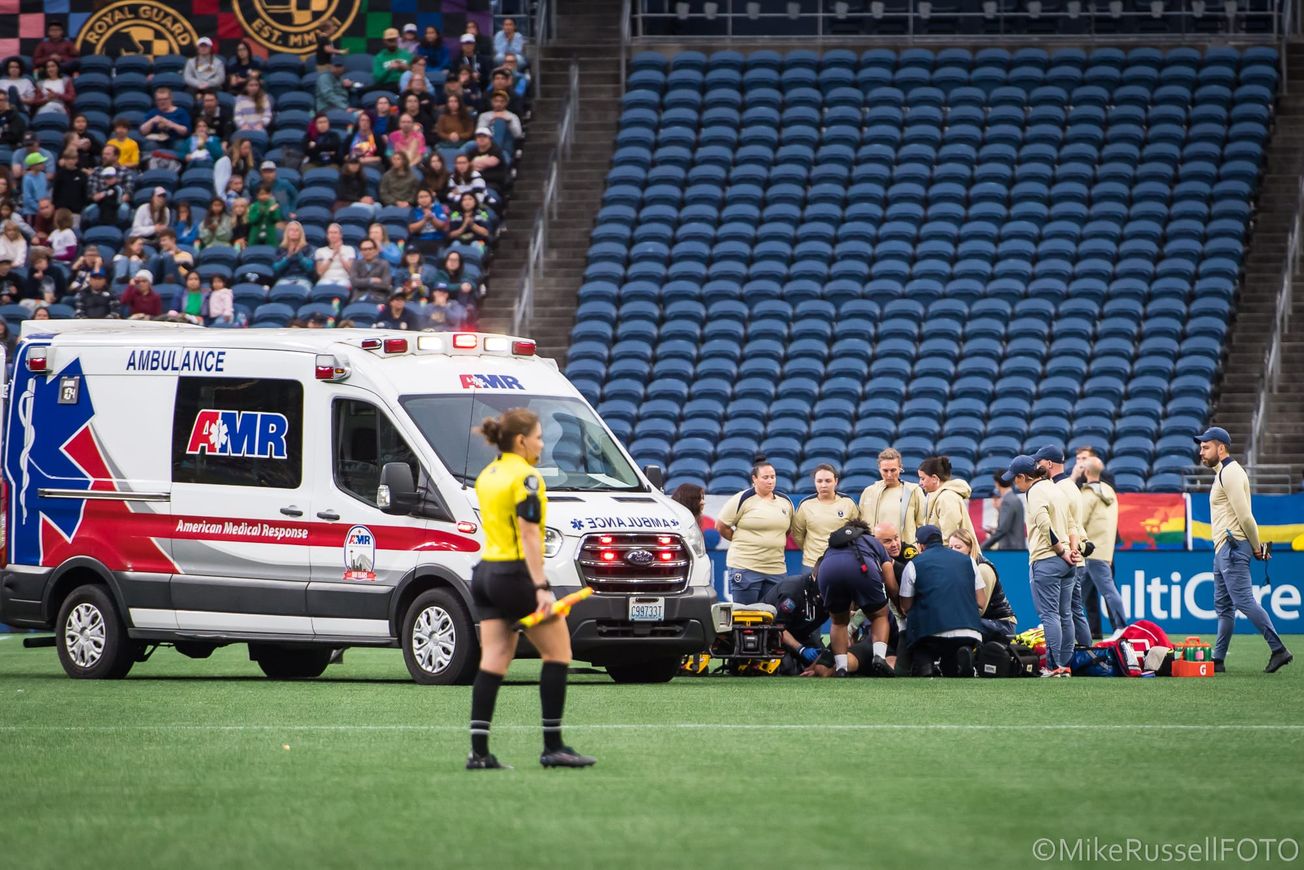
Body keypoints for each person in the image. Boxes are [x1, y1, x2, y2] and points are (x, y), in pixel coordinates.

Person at [466, 408, 595, 770]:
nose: (542, 443)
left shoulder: (488, 473)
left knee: (493, 659)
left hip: (486, 573)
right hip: (515, 575)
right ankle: (553, 746)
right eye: (539, 437)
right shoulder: (527, 477)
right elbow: (528, 535)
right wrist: (541, 586)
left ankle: (479, 753)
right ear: (521, 441)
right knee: (558, 654)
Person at [1195, 427, 1293, 673]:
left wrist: (1257, 546)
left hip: (1232, 546)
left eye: (1206, 447)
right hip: (1224, 549)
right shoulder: (1224, 473)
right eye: (1200, 447)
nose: (1201, 452)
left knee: (1243, 601)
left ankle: (1279, 650)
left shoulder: (1230, 473)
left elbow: (1246, 517)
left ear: (1221, 448)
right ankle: (1218, 660)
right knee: (1225, 607)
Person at [1001, 455, 1076, 677]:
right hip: (1067, 560)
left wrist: (1061, 552)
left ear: (1024, 477)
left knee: (1050, 615)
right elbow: (1072, 524)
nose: (1015, 484)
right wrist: (1071, 550)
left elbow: (1044, 525)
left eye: (1016, 479)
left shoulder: (1034, 492)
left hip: (1047, 559)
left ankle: (1054, 667)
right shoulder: (1056, 488)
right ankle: (1066, 664)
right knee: (1066, 614)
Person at [898, 525, 987, 677]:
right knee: (951, 662)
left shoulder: (913, 564)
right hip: (969, 631)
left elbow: (905, 606)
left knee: (922, 644)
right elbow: (981, 601)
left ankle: (925, 664)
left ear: (920, 546)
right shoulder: (969, 561)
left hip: (930, 633)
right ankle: (960, 657)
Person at [716, 458, 794, 605]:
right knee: (745, 617)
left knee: (774, 617)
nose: (770, 481)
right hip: (745, 566)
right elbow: (721, 526)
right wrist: (742, 540)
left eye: (773, 477)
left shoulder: (785, 501)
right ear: (755, 479)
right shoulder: (742, 498)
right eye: (765, 477)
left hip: (776, 568)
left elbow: (787, 530)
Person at [1034, 445, 1091, 648]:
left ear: (1049, 463)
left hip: (1067, 554)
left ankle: (1077, 655)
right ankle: (1085, 652)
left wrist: (1066, 550)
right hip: (1074, 554)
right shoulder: (1069, 485)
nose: (1036, 467)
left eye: (1039, 463)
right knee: (1073, 611)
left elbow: (1066, 524)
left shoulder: (1058, 488)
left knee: (1066, 612)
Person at [1078, 456, 1127, 637]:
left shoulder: (1088, 495)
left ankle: (1122, 627)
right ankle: (1064, 625)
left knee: (1108, 591)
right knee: (1078, 595)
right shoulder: (1109, 492)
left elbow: (1078, 522)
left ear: (1086, 472)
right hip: (1105, 551)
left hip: (1090, 552)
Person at [947, 528, 1017, 642]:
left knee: (957, 626)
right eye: (950, 547)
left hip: (1003, 625)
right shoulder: (960, 569)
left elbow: (980, 609)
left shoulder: (983, 569)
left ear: (970, 548)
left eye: (958, 547)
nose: (953, 551)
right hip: (982, 621)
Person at [792, 465, 859, 574]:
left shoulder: (848, 503)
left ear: (836, 481)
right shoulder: (805, 505)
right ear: (814, 482)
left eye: (828, 481)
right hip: (811, 564)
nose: (823, 485)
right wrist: (811, 551)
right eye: (819, 481)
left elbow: (857, 532)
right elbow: (797, 534)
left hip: (841, 562)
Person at [858, 448, 927, 546]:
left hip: (905, 550)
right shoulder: (869, 492)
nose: (889, 474)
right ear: (879, 469)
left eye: (893, 470)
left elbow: (922, 524)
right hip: (875, 550)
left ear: (900, 468)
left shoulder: (913, 491)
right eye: (885, 470)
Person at [918, 455, 977, 541]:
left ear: (934, 478)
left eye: (922, 478)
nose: (920, 483)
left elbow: (950, 537)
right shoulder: (934, 495)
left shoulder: (947, 498)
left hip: (953, 553)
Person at [139, 87, 191, 154]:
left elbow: (186, 131)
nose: (162, 102)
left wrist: (171, 124)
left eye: (165, 99)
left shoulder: (181, 112)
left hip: (175, 140)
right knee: (149, 146)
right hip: (157, 141)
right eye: (159, 100)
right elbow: (142, 131)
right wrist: (152, 121)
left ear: (170, 99)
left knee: (180, 146)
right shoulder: (153, 112)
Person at [984, 472, 1026, 550]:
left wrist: (983, 546)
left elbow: (1002, 529)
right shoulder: (1015, 499)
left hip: (1010, 550)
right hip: (1017, 549)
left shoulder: (1007, 501)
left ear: (997, 484)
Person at [407, 187, 449, 255]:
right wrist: (424, 220)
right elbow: (412, 229)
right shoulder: (414, 211)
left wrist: (432, 218)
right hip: (419, 240)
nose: (424, 199)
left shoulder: (439, 208)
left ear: (431, 198)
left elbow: (442, 226)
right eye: (421, 197)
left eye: (426, 196)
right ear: (417, 200)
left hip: (437, 240)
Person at [350, 237, 392, 303]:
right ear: (361, 251)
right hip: (359, 298)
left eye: (370, 249)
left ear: (375, 250)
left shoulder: (384, 264)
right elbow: (354, 282)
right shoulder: (356, 264)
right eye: (364, 249)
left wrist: (362, 283)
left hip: (378, 298)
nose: (367, 252)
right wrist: (371, 280)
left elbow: (385, 284)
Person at [314, 222, 354, 287]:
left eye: (335, 233)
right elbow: (320, 272)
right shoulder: (320, 251)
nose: (332, 235)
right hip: (325, 279)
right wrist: (333, 255)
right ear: (327, 235)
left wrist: (340, 254)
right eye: (330, 233)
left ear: (341, 235)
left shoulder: (349, 249)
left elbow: (350, 271)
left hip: (343, 279)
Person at [468, 127, 507, 192]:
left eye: (484, 136)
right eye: (479, 137)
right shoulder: (472, 152)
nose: (481, 139)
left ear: (490, 139)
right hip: (475, 182)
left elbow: (492, 162)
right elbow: (468, 166)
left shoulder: (496, 151)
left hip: (493, 183)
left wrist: (475, 162)